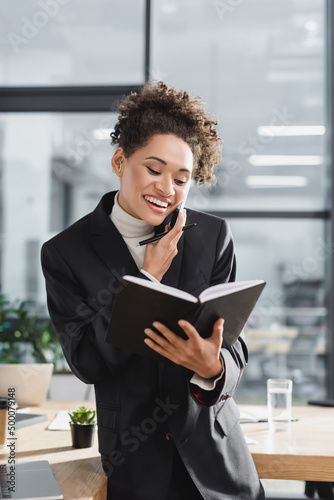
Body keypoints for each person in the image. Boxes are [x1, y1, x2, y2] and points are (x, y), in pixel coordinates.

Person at [41, 81, 264, 500]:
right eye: (154, 169)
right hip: (135, 464)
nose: (167, 189)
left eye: (182, 179)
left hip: (216, 462)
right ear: (120, 161)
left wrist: (212, 367)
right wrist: (146, 279)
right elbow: (87, 361)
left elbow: (234, 348)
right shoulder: (65, 253)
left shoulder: (211, 236)